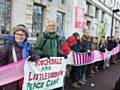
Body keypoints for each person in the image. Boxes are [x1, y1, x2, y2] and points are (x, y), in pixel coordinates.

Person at [0, 24, 40, 90]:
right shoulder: (9, 46)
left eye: (22, 34)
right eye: (17, 34)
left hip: (24, 78)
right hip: (11, 80)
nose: (19, 36)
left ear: (25, 36)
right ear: (14, 34)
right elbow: (1, 59)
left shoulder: (28, 47)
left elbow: (35, 55)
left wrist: (33, 57)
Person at [34, 20, 66, 90]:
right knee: (45, 84)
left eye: (53, 26)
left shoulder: (56, 37)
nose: (52, 27)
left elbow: (57, 49)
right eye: (50, 25)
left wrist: (63, 54)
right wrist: (43, 54)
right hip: (45, 64)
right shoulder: (42, 36)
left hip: (54, 65)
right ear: (47, 27)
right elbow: (36, 49)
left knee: (53, 83)